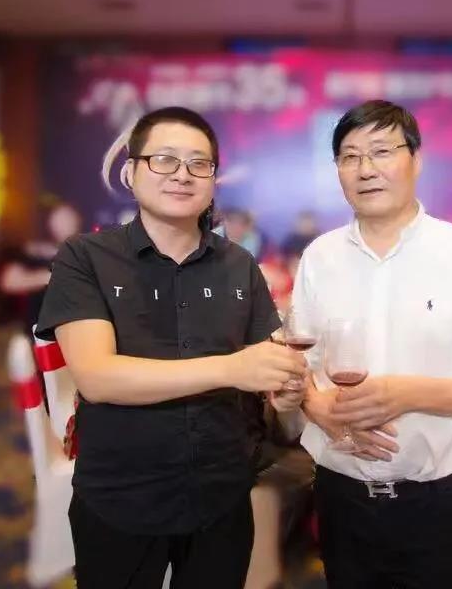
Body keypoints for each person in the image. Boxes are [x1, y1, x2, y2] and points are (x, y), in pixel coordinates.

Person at [34, 106, 307, 589]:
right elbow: (98, 378)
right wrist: (231, 369)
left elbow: (266, 371)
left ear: (213, 181)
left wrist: (283, 393)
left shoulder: (240, 265)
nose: (182, 174)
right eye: (164, 159)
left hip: (222, 495)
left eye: (199, 164)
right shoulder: (86, 257)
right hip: (121, 495)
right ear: (131, 172)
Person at [285, 99, 452, 588]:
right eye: (350, 157)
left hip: (437, 505)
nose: (365, 169)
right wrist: (315, 406)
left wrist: (404, 394)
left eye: (381, 151)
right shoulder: (319, 258)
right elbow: (299, 365)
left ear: (416, 159)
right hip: (342, 500)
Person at [0, 202, 83, 338]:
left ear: (77, 222)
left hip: (74, 332)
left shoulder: (85, 254)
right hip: (39, 332)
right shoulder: (36, 253)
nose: (63, 225)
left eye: (68, 219)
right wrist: (46, 277)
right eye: (59, 219)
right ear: (50, 223)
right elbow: (8, 282)